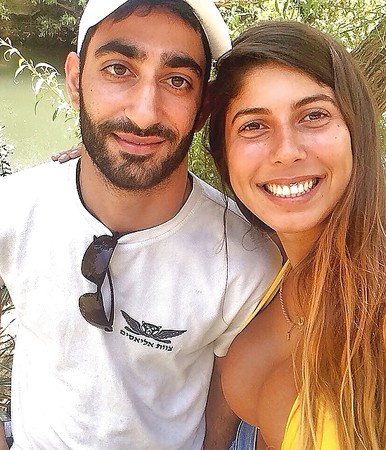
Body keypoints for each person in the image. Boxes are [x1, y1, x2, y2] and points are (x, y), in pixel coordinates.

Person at [0, 1, 282, 449]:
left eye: (177, 81)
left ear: (203, 107)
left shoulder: (245, 258)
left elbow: (225, 383)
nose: (144, 114)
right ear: (74, 81)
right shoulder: (7, 210)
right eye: (118, 70)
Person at [205, 21, 386, 449]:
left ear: (356, 129)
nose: (286, 151)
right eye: (253, 125)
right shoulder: (264, 263)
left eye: (314, 115)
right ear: (224, 154)